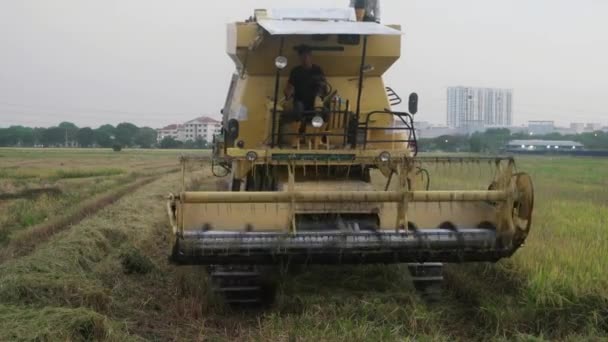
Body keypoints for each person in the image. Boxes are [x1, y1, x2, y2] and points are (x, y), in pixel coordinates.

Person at [284, 45, 326, 113]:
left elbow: (323, 86)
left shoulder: (318, 70)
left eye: (307, 55)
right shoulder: (295, 71)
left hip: (315, 101)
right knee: (298, 109)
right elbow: (290, 86)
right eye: (303, 56)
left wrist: (318, 97)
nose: (305, 58)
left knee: (325, 112)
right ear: (299, 57)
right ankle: (298, 122)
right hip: (299, 101)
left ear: (310, 56)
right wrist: (288, 93)